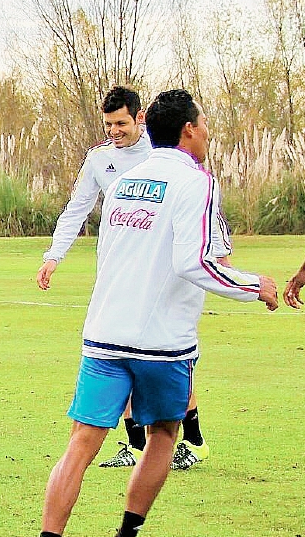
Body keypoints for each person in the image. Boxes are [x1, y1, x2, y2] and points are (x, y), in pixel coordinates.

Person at [28, 89, 278, 537]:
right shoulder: (195, 181)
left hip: (104, 333)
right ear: (189, 129)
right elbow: (196, 262)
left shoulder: (124, 180)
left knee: (80, 445)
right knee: (165, 433)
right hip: (162, 342)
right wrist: (256, 286)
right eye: (204, 124)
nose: (208, 132)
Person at [36, 86, 217, 471]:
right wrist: (54, 255)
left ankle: (194, 439)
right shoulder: (99, 160)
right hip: (122, 267)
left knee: (164, 353)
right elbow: (77, 208)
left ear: (139, 119)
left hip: (164, 269)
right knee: (124, 349)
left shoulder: (163, 154)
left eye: (121, 123)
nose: (114, 131)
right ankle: (135, 445)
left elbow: (202, 206)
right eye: (108, 124)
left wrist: (220, 247)